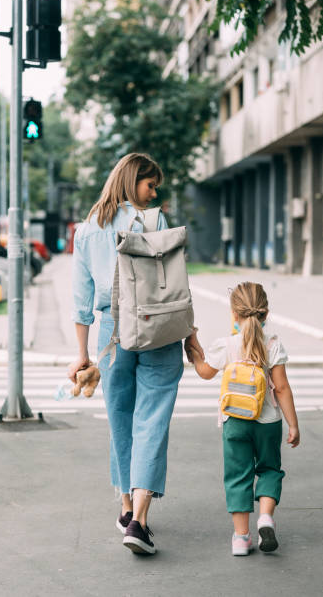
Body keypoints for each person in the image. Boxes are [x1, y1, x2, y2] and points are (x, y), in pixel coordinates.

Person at [68, 153, 203, 555]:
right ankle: (140, 523)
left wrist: (81, 355)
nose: (154, 192)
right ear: (131, 182)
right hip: (155, 326)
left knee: (120, 419)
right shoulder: (154, 221)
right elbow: (174, 285)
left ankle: (126, 508)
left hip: (111, 332)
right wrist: (190, 333)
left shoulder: (87, 229)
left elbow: (81, 299)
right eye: (150, 184)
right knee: (152, 417)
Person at [185, 282, 300, 556]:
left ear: (233, 314)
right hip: (268, 421)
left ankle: (241, 538)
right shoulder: (273, 344)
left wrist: (193, 346)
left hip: (234, 421)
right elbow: (281, 388)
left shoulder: (225, 344)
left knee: (238, 476)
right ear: (265, 313)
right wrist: (293, 424)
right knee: (270, 469)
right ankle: (265, 518)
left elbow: (204, 372)